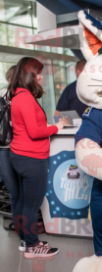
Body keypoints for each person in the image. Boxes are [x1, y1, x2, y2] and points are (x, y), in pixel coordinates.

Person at [8, 57, 65, 258]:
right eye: (38, 73)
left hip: (21, 156)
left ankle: (27, 240)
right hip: (31, 158)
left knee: (25, 202)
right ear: (28, 75)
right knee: (32, 204)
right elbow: (34, 131)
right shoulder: (24, 98)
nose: (41, 77)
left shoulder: (19, 95)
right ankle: (33, 246)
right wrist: (57, 127)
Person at [0, 65, 18, 230]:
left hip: (16, 147)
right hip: (5, 147)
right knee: (14, 188)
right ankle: (19, 223)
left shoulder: (24, 94)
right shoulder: (4, 95)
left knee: (16, 189)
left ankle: (20, 223)